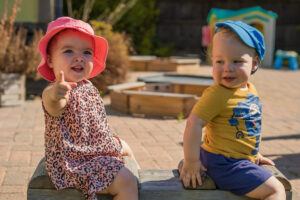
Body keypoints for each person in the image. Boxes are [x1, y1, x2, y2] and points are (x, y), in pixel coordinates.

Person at [180, 20, 286, 200]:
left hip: (237, 159)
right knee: (276, 190)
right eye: (220, 61)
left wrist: (253, 154)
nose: (228, 68)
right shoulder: (217, 94)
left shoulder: (249, 89)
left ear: (254, 63)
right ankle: (189, 163)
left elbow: (246, 126)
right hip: (224, 163)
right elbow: (194, 122)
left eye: (237, 61)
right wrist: (192, 161)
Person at [37, 17, 138, 200]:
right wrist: (56, 94)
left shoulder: (87, 85)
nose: (79, 57)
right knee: (127, 181)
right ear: (50, 60)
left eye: (86, 52)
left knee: (126, 147)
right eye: (68, 51)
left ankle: (139, 180)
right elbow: (52, 104)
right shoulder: (58, 90)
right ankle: (129, 190)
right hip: (73, 161)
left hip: (95, 148)